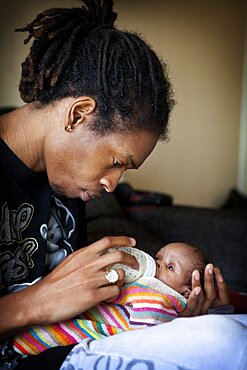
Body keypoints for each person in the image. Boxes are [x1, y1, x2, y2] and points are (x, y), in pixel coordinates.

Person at [0, 1, 246, 369]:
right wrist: (35, 302)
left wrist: (172, 316)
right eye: (116, 162)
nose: (112, 185)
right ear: (78, 115)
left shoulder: (64, 181)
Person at [12, 242, 210, 354]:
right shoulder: (142, 282)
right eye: (157, 257)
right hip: (76, 313)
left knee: (63, 331)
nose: (157, 264)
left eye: (170, 267)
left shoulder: (161, 299)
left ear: (186, 292)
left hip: (103, 335)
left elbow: (148, 335)